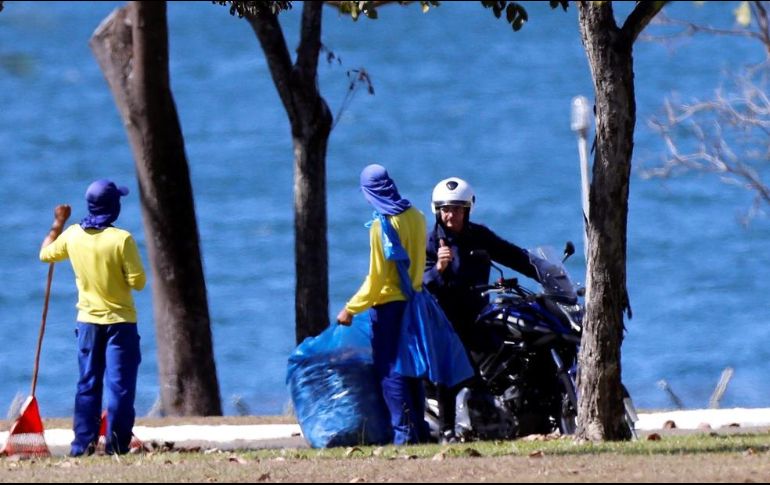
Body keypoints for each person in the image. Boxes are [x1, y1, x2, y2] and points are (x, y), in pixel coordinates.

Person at [423, 176, 541, 443]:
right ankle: (447, 430)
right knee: (450, 373)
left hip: (478, 314)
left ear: (467, 209)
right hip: (446, 321)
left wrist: (542, 271)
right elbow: (422, 284)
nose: (449, 214)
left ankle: (501, 417)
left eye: (455, 208)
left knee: (504, 357)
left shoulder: (479, 236)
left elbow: (512, 255)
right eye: (444, 208)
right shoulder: (431, 243)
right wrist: (439, 269)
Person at [39, 179, 146, 456]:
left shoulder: (73, 235)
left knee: (88, 383)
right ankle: (116, 445)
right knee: (120, 387)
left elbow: (45, 254)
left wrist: (57, 223)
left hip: (87, 323)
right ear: (113, 208)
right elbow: (138, 282)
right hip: (120, 323)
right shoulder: (122, 239)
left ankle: (81, 445)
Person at [336, 164, 429, 445]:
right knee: (413, 369)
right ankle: (420, 431)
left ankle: (403, 434)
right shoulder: (417, 216)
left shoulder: (382, 226)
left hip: (389, 306)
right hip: (416, 303)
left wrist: (351, 308)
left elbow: (376, 279)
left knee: (391, 371)